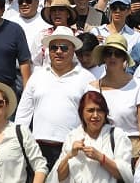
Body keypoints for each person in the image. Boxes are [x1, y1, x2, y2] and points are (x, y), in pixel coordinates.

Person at [15, 27, 94, 170]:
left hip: (72, 148)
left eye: (64, 48)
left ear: (73, 50)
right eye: (53, 48)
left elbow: (92, 116)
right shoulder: (37, 76)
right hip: (37, 147)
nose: (58, 51)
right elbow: (23, 114)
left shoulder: (87, 79)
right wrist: (20, 143)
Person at [90, 34, 140, 159]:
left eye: (118, 53)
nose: (112, 57)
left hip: (132, 149)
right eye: (108, 53)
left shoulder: (139, 86)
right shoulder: (91, 88)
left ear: (124, 58)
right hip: (101, 148)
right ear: (103, 57)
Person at [54, 91, 133, 183]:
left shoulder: (117, 136)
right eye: (90, 110)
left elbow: (126, 176)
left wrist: (101, 158)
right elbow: (60, 177)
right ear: (82, 113)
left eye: (100, 110)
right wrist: (70, 155)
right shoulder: (72, 136)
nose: (95, 115)